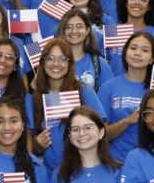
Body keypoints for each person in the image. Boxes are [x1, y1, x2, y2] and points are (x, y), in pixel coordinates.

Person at [32, 39, 107, 175]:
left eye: (62, 59)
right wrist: (38, 145)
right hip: (49, 173)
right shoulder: (34, 97)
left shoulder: (84, 91)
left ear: (70, 63)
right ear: (43, 63)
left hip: (82, 171)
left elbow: (102, 129)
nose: (56, 63)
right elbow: (29, 145)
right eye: (50, 58)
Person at [98, 32, 154, 163]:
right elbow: (98, 135)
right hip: (116, 163)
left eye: (145, 50)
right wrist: (127, 121)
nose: (138, 53)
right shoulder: (109, 87)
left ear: (152, 58)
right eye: (133, 48)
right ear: (125, 52)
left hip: (152, 164)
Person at [55, 9, 114, 91]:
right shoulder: (54, 62)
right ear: (63, 31)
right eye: (69, 27)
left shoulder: (99, 63)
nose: (74, 31)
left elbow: (108, 96)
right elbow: (49, 95)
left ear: (87, 31)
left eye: (79, 26)